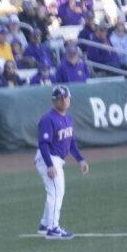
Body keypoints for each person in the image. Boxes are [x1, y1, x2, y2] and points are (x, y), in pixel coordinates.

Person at [35, 85, 89, 240]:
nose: (64, 100)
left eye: (66, 97)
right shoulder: (48, 119)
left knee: (56, 191)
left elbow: (71, 142)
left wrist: (80, 160)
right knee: (56, 192)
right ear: (54, 101)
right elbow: (43, 144)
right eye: (60, 98)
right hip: (48, 158)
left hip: (55, 159)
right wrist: (49, 165)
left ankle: (45, 224)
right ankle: (52, 229)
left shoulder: (67, 118)